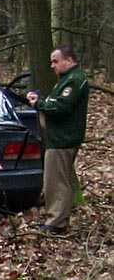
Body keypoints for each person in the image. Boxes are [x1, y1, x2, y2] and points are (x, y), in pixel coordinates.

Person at [27, 45, 89, 235]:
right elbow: (55, 103)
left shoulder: (74, 81)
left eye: (56, 61)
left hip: (63, 139)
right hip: (58, 138)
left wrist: (39, 103)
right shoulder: (66, 80)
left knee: (57, 182)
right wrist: (43, 101)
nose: (52, 66)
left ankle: (57, 222)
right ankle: (56, 219)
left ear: (69, 60)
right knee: (55, 179)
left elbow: (61, 107)